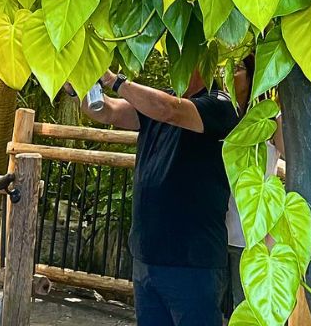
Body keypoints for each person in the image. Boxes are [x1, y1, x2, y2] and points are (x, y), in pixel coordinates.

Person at [81, 66, 238, 326]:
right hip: (147, 256)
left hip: (192, 262)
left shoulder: (219, 104)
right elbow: (106, 110)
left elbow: (171, 110)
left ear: (203, 59)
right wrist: (79, 87)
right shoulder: (155, 101)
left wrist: (113, 79)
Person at [224, 57, 283, 318]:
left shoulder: (270, 118)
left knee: (247, 311)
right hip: (215, 233)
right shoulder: (220, 111)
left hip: (251, 238)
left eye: (237, 69)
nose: (228, 74)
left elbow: (296, 156)